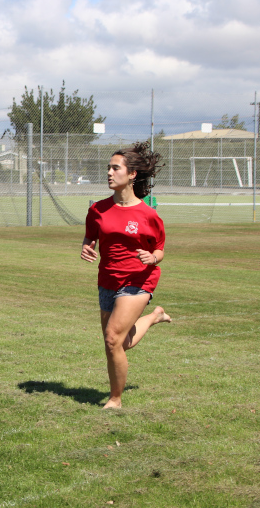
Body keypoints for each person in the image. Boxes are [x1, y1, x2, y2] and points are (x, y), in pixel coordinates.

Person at [80, 141, 172, 410]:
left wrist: (152, 257)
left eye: (115, 168)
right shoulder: (97, 209)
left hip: (138, 280)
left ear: (132, 174)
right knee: (120, 342)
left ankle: (115, 400)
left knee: (112, 339)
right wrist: (87, 246)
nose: (109, 172)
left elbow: (160, 249)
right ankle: (155, 317)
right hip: (107, 279)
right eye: (108, 168)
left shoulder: (147, 214)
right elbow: (90, 236)